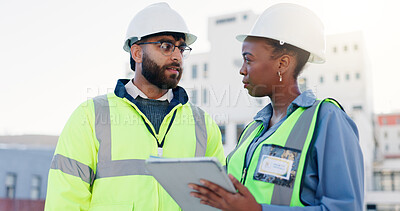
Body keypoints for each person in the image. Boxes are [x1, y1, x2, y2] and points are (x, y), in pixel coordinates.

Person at [44, 2, 225, 210]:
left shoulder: (203, 124)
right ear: (137, 53)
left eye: (181, 48)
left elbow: (217, 203)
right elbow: (65, 201)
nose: (177, 56)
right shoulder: (90, 116)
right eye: (166, 46)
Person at [189, 3, 364, 210]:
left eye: (248, 60)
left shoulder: (328, 121)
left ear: (282, 64)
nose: (242, 70)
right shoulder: (253, 130)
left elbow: (346, 207)